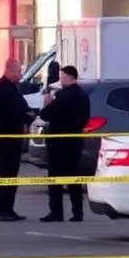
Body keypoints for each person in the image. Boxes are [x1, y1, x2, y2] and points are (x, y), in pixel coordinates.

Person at [0, 58, 35, 221]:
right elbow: (9, 113)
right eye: (19, 71)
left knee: (12, 174)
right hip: (2, 140)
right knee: (2, 174)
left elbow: (23, 108)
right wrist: (24, 116)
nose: (20, 75)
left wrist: (29, 115)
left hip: (14, 139)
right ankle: (0, 210)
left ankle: (9, 208)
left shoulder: (14, 89)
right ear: (10, 70)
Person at [37, 65, 90, 222]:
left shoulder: (62, 96)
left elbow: (46, 115)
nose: (60, 80)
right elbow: (86, 118)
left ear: (69, 77)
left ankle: (56, 212)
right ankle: (77, 212)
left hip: (59, 143)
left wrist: (47, 104)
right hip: (75, 141)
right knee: (74, 178)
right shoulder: (83, 96)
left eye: (62, 77)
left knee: (55, 179)